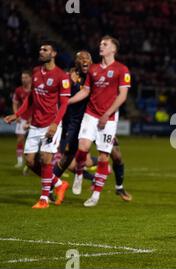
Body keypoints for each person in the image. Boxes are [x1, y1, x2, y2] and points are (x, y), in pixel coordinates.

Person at [3, 40, 70, 208]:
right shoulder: (35, 72)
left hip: (51, 124)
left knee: (46, 159)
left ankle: (44, 199)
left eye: (45, 49)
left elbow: (64, 104)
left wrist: (55, 124)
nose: (41, 51)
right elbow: (31, 98)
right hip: (35, 124)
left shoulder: (62, 76)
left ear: (53, 54)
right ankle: (58, 184)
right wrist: (17, 114)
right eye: (40, 49)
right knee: (30, 161)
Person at [69, 35, 131, 207]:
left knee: (104, 157)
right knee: (83, 148)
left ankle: (95, 195)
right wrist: (67, 100)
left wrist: (107, 114)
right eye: (100, 43)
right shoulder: (93, 69)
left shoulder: (122, 69)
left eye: (105, 44)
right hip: (91, 114)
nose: (101, 46)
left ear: (113, 49)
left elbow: (123, 95)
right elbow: (85, 91)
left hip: (109, 118)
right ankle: (80, 173)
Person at [11, 70, 32, 169]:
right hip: (22, 118)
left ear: (30, 78)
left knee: (35, 141)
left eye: (26, 77)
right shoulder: (18, 90)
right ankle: (20, 161)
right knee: (20, 139)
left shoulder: (35, 89)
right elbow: (15, 103)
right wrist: (16, 115)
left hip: (35, 118)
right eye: (22, 78)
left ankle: (32, 162)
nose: (23, 80)